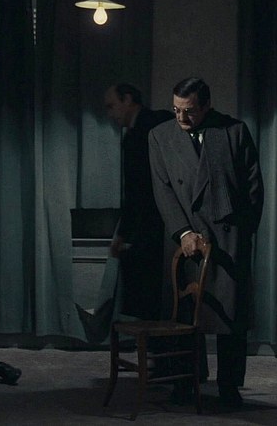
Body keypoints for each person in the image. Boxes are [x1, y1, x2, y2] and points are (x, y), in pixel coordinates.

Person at [148, 77, 264, 409]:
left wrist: (240, 233)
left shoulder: (233, 131)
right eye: (176, 110)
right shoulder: (159, 136)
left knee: (231, 319)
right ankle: (185, 382)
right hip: (185, 237)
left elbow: (253, 187)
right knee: (185, 317)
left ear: (207, 106)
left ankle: (229, 386)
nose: (181, 118)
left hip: (227, 237)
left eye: (189, 111)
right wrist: (184, 233)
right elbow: (163, 191)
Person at [103, 83, 174, 320]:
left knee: (149, 292)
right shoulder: (154, 123)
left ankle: (151, 338)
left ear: (128, 99)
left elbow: (136, 191)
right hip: (159, 222)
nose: (110, 114)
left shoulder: (148, 128)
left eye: (112, 106)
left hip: (157, 223)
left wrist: (123, 234)